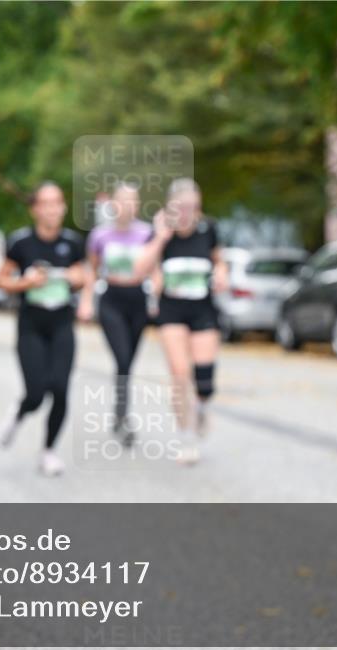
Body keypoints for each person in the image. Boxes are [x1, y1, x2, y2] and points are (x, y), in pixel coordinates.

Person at [0, 182, 86, 476]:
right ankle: (19, 413)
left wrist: (76, 278)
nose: (52, 209)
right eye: (45, 203)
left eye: (57, 202)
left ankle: (48, 451)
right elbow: (0, 280)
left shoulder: (72, 243)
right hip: (31, 325)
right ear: (34, 210)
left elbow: (84, 277)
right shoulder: (21, 243)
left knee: (59, 388)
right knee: (36, 393)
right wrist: (25, 283)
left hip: (61, 324)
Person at [135, 178, 228, 465]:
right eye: (182, 207)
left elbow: (218, 260)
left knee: (204, 380)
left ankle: (201, 407)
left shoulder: (208, 229)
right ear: (170, 207)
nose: (188, 213)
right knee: (179, 373)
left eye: (193, 207)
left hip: (202, 309)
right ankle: (185, 437)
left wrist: (222, 272)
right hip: (171, 311)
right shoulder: (160, 233)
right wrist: (161, 237)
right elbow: (139, 270)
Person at [78, 182, 153, 448]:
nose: (128, 206)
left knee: (128, 363)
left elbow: (155, 268)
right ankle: (122, 416)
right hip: (111, 300)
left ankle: (119, 413)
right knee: (122, 358)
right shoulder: (100, 236)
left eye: (133, 200)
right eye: (123, 200)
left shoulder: (146, 233)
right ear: (113, 204)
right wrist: (86, 301)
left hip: (138, 301)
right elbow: (91, 269)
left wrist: (155, 296)